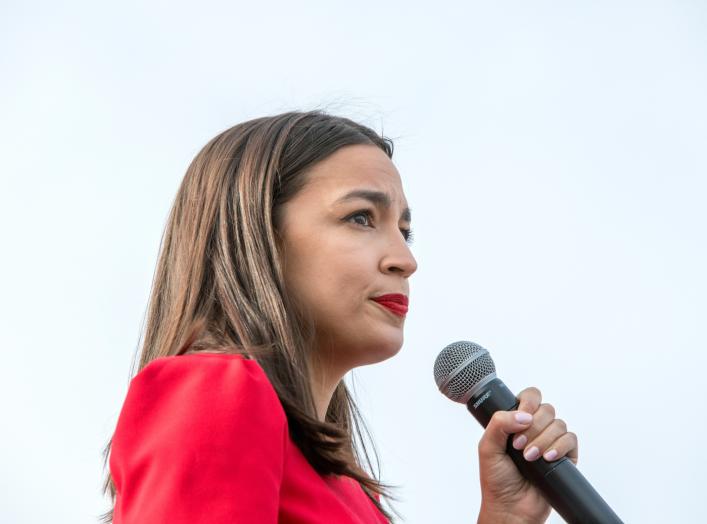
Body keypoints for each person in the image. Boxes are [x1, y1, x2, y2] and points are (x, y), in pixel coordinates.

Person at [101, 110, 579, 523]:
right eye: (360, 218)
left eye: (404, 232)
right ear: (258, 235)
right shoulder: (213, 390)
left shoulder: (348, 491)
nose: (404, 260)